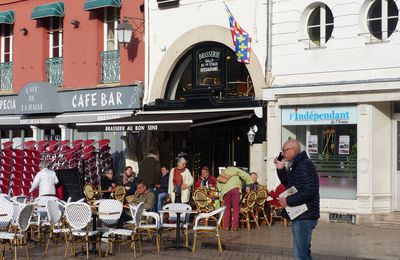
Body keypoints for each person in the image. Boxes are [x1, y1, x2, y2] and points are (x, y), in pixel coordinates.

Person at [274, 139, 320, 260]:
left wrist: (287, 201)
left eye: (284, 151)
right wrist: (280, 168)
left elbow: (308, 191)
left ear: (293, 150)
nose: (283, 154)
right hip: (302, 215)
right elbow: (290, 183)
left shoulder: (304, 164)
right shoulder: (297, 164)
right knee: (303, 253)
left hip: (305, 216)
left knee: (301, 255)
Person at [217, 165, 252, 231]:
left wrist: (221, 190)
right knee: (236, 208)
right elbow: (245, 175)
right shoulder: (236, 170)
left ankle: (226, 227)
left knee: (227, 209)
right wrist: (249, 183)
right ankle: (235, 227)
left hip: (226, 191)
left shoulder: (224, 172)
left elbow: (218, 182)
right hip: (235, 189)